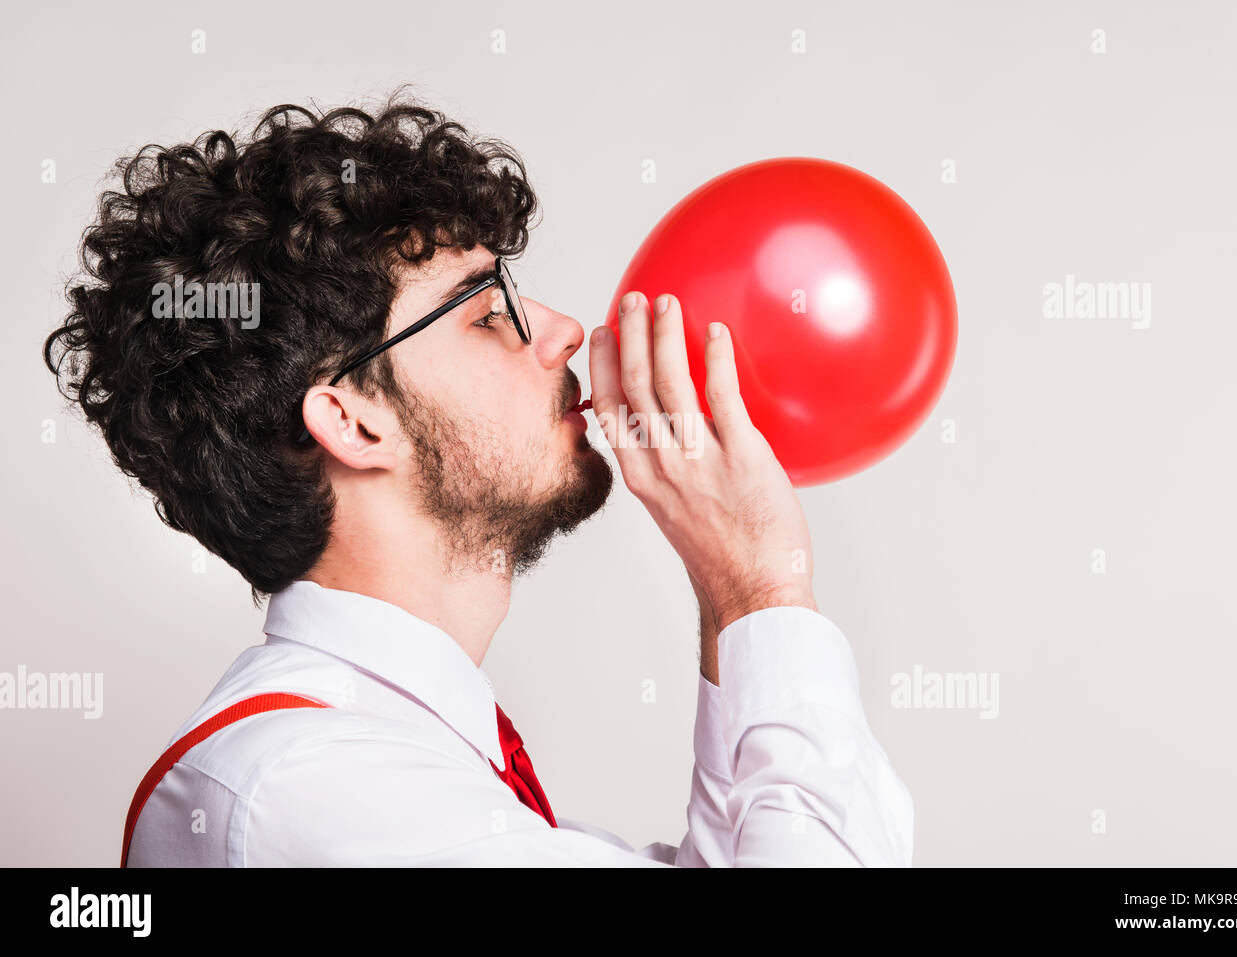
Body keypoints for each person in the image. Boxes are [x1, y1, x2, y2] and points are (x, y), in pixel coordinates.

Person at [43, 91, 914, 866]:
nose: (566, 329)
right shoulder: (300, 791)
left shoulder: (391, 769)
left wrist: (736, 597)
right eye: (485, 311)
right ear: (352, 419)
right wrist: (761, 581)